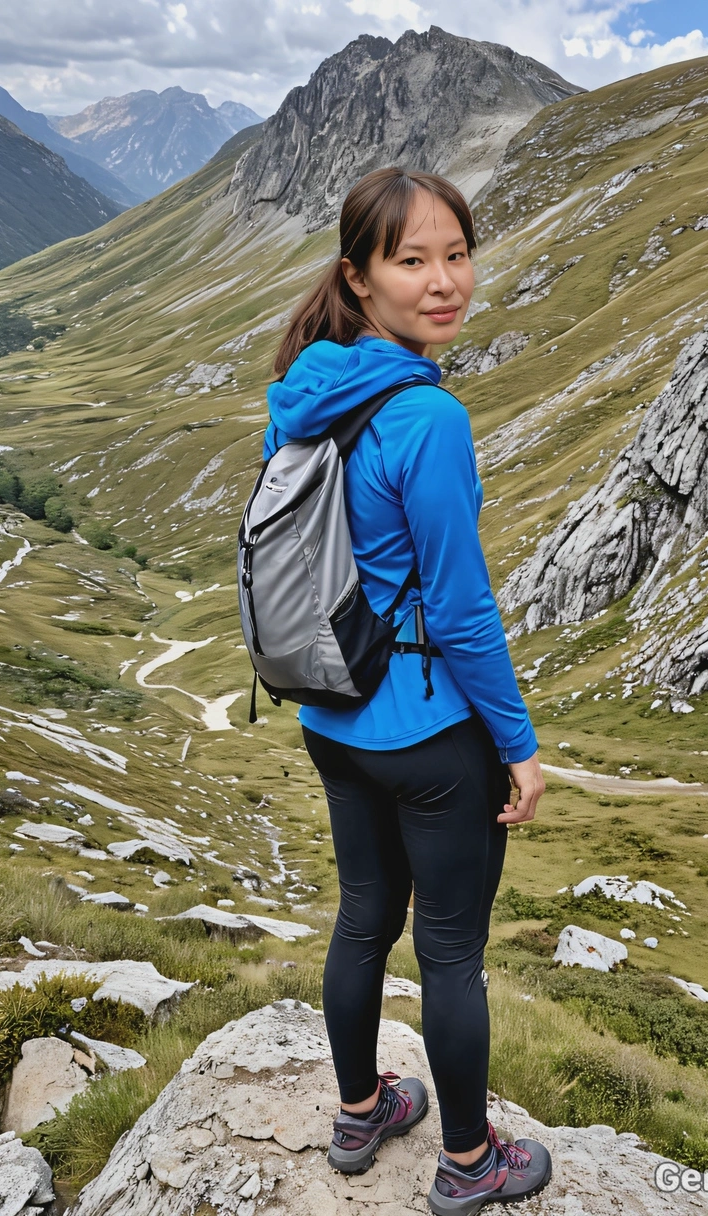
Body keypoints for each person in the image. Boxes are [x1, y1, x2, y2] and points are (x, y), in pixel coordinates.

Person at [262, 166, 550, 1215]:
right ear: (360, 277)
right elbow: (462, 610)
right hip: (430, 735)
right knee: (452, 953)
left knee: (360, 921)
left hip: (328, 714)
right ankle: (470, 1163)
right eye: (412, 260)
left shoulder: (306, 391)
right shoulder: (427, 418)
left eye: (457, 255)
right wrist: (516, 745)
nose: (443, 281)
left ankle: (360, 1112)